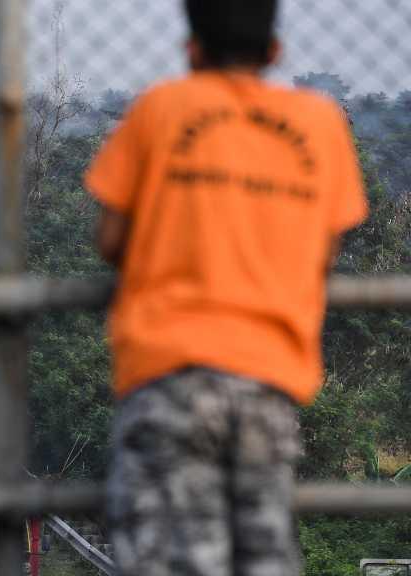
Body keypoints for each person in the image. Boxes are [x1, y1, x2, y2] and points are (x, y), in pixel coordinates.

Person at [84, 1, 367, 575]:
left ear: (191, 48)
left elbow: (110, 238)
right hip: (268, 380)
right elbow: (326, 248)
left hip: (169, 372)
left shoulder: (162, 107)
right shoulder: (320, 124)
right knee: (261, 556)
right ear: (275, 52)